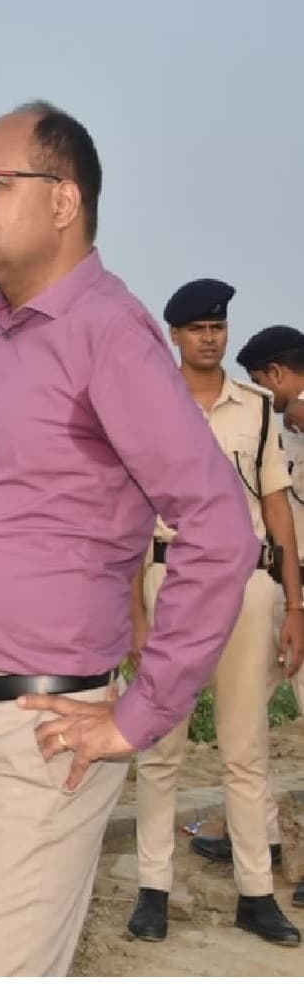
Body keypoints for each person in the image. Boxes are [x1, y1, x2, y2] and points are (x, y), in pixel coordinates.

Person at [0, 101, 257, 976]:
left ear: (63, 202)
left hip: (41, 739)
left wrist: (140, 715)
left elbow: (218, 521)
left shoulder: (107, 331)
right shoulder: (2, 332)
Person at [125, 281, 303, 947]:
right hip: (171, 579)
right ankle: (153, 890)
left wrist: (296, 604)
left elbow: (279, 507)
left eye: (218, 327)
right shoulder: (146, 408)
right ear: (174, 335)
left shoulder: (256, 410)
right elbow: (131, 516)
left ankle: (256, 893)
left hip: (248, 584)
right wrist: (134, 620)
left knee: (245, 746)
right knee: (161, 744)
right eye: (196, 327)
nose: (209, 337)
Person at [236, 323, 304, 910]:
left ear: (277, 375)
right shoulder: (276, 430)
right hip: (285, 590)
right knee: (244, 716)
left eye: (262, 383)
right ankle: (263, 838)